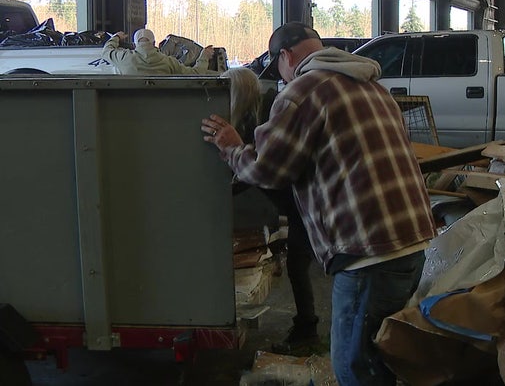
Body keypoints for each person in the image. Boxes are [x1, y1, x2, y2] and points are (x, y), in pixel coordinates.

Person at [202, 22, 435, 385]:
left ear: (286, 56)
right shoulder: (373, 88)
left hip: (368, 251)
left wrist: (230, 145)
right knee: (384, 358)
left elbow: (267, 167)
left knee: (353, 369)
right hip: (414, 241)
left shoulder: (304, 91)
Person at [222, 67, 320, 354]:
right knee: (299, 266)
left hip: (304, 205)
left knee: (300, 267)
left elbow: (257, 170)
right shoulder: (260, 117)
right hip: (300, 204)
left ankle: (307, 331)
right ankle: (307, 327)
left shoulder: (258, 125)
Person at [102, 28, 215, 75]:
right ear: (154, 43)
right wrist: (204, 56)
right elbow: (196, 74)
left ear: (135, 44)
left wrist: (116, 37)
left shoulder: (124, 58)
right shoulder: (169, 62)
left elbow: (106, 51)